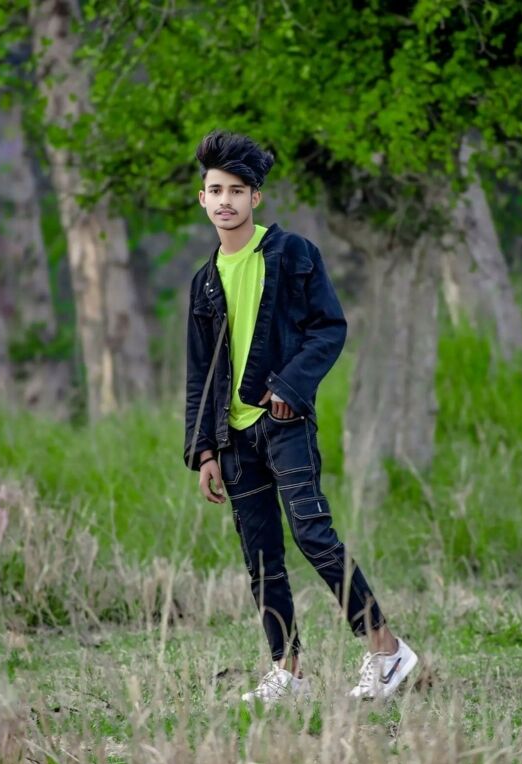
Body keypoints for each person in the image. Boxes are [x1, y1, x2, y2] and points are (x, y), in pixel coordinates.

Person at [184, 129, 418, 705]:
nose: (225, 201)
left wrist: (289, 386)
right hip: (233, 440)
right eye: (216, 190)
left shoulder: (292, 254)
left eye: (237, 191)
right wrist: (204, 449)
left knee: (314, 535)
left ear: (255, 198)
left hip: (284, 424)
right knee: (261, 555)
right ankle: (286, 672)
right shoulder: (204, 281)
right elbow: (200, 373)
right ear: (203, 197)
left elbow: (328, 328)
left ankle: (386, 650)